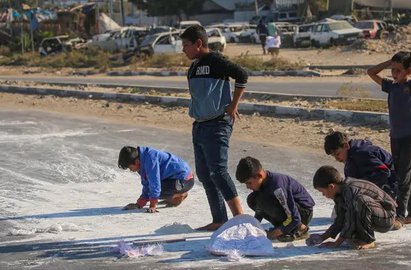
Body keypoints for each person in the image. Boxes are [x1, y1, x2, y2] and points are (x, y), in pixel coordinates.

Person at [180, 25, 248, 231]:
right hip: (199, 125)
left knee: (218, 172)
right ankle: (219, 220)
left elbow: (242, 75)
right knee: (204, 174)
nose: (183, 50)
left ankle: (240, 219)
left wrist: (233, 105)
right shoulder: (193, 67)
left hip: (217, 123)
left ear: (198, 43)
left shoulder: (215, 61)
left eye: (186, 45)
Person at [367, 51, 411, 225]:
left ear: (408, 71)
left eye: (398, 70)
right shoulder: (391, 86)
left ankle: (399, 216)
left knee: (404, 178)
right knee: (402, 175)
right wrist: (389, 62)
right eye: (393, 70)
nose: (394, 74)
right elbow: (370, 72)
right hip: (396, 136)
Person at [308, 166, 402, 250]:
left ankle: (368, 240)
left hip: (387, 216)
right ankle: (360, 237)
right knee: (351, 216)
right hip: (376, 215)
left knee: (360, 200)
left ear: (331, 186)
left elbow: (351, 219)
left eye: (322, 192)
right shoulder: (339, 195)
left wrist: (337, 243)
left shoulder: (351, 189)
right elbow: (340, 220)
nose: (323, 195)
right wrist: (323, 237)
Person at [235, 156, 315, 242]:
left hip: (303, 213)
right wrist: (254, 227)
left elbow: (294, 218)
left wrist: (274, 234)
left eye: (249, 183)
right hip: (289, 213)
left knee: (267, 201)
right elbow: (259, 209)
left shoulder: (277, 187)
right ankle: (284, 227)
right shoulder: (261, 185)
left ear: (259, 175)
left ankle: (300, 229)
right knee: (252, 199)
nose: (247, 187)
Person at [118, 146, 194, 213]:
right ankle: (174, 195)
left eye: (131, 168)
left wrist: (153, 205)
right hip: (173, 179)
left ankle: (180, 194)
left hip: (185, 181)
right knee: (151, 192)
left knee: (155, 191)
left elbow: (155, 183)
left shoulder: (150, 159)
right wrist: (139, 204)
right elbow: (146, 183)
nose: (131, 170)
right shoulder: (142, 160)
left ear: (136, 162)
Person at [324, 131, 398, 199]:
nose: (337, 158)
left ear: (346, 146)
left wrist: (359, 184)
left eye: (337, 154)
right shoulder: (350, 156)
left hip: (393, 183)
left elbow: (384, 172)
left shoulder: (361, 154)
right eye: (334, 156)